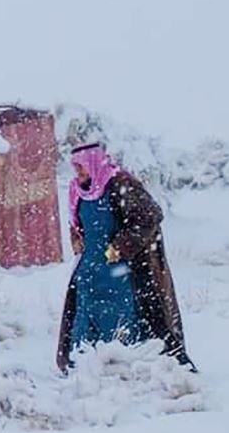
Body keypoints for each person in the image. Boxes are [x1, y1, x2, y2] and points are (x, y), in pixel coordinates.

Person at [56, 143, 195, 373]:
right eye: (75, 168)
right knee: (85, 314)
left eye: (81, 167)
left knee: (119, 314)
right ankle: (83, 366)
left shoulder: (120, 184)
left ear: (93, 163)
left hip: (117, 270)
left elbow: (150, 216)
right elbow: (76, 222)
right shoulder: (77, 189)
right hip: (89, 267)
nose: (77, 173)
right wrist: (76, 238)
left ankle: (125, 365)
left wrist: (120, 247)